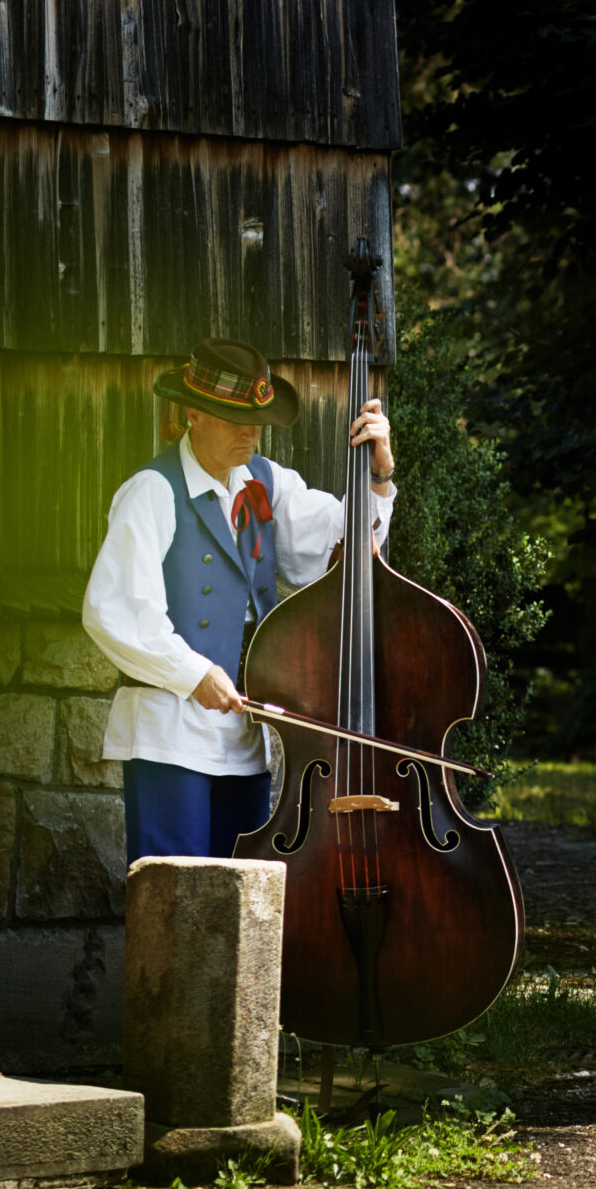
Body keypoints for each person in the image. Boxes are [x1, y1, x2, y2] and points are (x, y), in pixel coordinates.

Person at [83, 337, 394, 863]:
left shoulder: (266, 485)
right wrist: (192, 673)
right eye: (233, 417)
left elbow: (345, 549)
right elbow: (111, 610)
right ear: (193, 415)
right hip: (170, 735)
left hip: (245, 740)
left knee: (242, 903)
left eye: (258, 419)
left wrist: (378, 474)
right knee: (176, 900)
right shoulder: (153, 491)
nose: (250, 432)